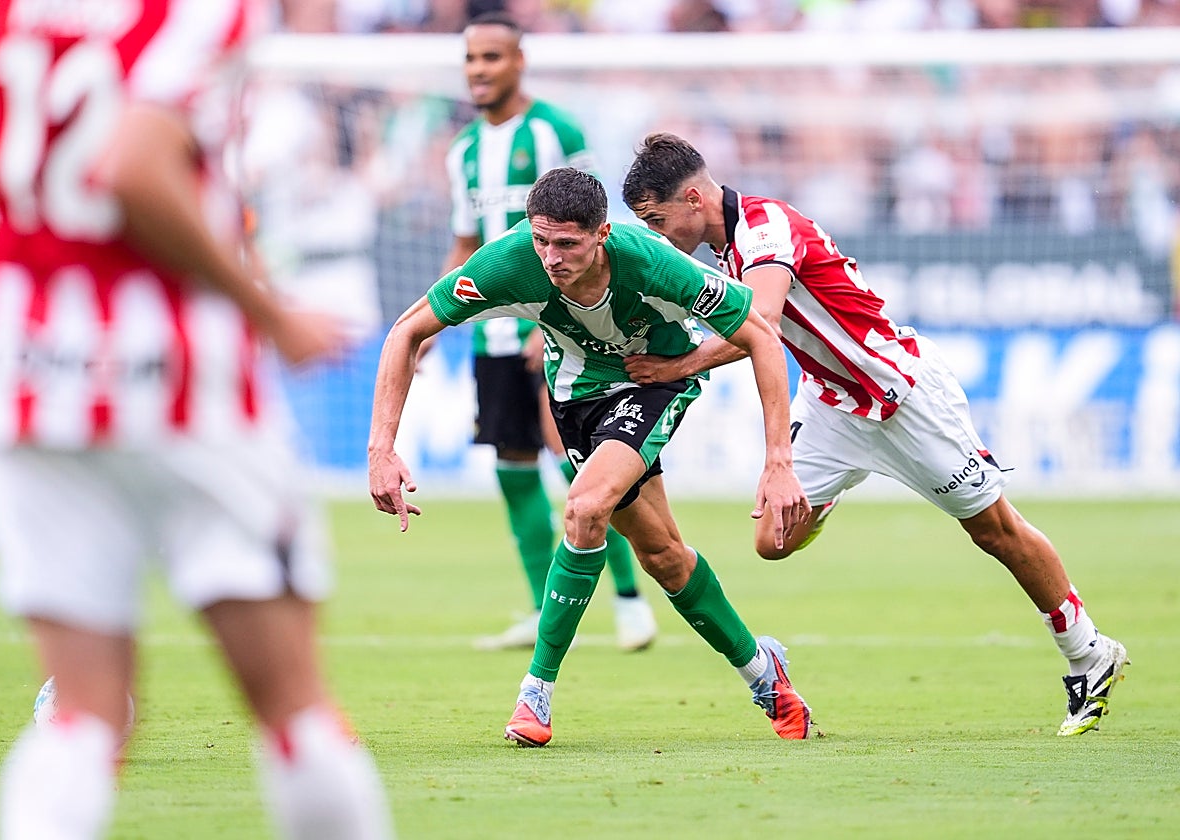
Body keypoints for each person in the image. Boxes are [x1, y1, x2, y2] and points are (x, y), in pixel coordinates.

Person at [0, 2, 393, 838]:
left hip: (29, 380)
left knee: (82, 715)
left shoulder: (3, 18)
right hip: (180, 384)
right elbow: (133, 168)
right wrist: (270, 313)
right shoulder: (200, 13)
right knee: (294, 709)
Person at [621, 132, 1130, 737]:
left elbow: (760, 324)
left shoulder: (764, 227)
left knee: (995, 531)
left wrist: (676, 367)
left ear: (693, 199)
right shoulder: (723, 248)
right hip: (832, 404)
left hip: (900, 394)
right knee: (773, 540)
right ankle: (837, 484)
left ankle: (1088, 652)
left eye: (657, 220)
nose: (655, 234)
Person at [368, 167, 814, 746]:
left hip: (652, 382)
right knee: (662, 556)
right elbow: (405, 331)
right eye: (541, 240)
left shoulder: (654, 263)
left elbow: (761, 336)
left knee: (584, 508)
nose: (551, 258)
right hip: (575, 397)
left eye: (567, 244)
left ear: (602, 234)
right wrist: (382, 449)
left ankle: (536, 691)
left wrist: (778, 461)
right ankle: (762, 671)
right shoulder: (510, 261)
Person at [440, 11, 656, 652]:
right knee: (511, 463)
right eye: (471, 58)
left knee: (579, 464)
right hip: (493, 335)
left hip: (560, 326)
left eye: (492, 57)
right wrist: (430, 325)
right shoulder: (463, 152)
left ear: (519, 61)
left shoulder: (556, 130)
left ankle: (628, 599)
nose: (479, 70)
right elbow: (464, 243)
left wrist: (558, 317)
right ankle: (543, 609)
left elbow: (597, 222)